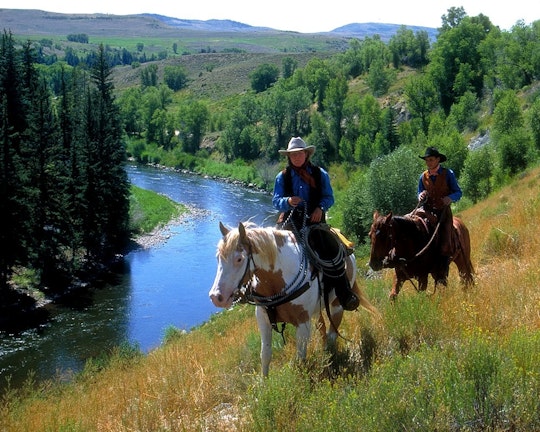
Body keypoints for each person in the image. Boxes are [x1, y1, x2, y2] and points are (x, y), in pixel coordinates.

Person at [273, 137, 359, 311]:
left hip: (315, 223)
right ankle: (267, 297)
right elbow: (276, 201)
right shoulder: (282, 177)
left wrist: (320, 208)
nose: (296, 157)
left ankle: (344, 294)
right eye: (293, 155)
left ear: (306, 154)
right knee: (268, 253)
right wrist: (288, 201)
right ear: (288, 157)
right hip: (290, 223)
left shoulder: (320, 174)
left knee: (332, 251)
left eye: (299, 154)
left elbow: (329, 198)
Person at [417, 146, 462, 264]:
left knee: (446, 242)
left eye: (431, 159)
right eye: (426, 160)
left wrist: (450, 198)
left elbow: (458, 192)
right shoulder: (423, 177)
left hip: (443, 213)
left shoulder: (448, 174)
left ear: (438, 160)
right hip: (427, 212)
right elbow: (419, 192)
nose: (428, 162)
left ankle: (444, 265)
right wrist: (420, 196)